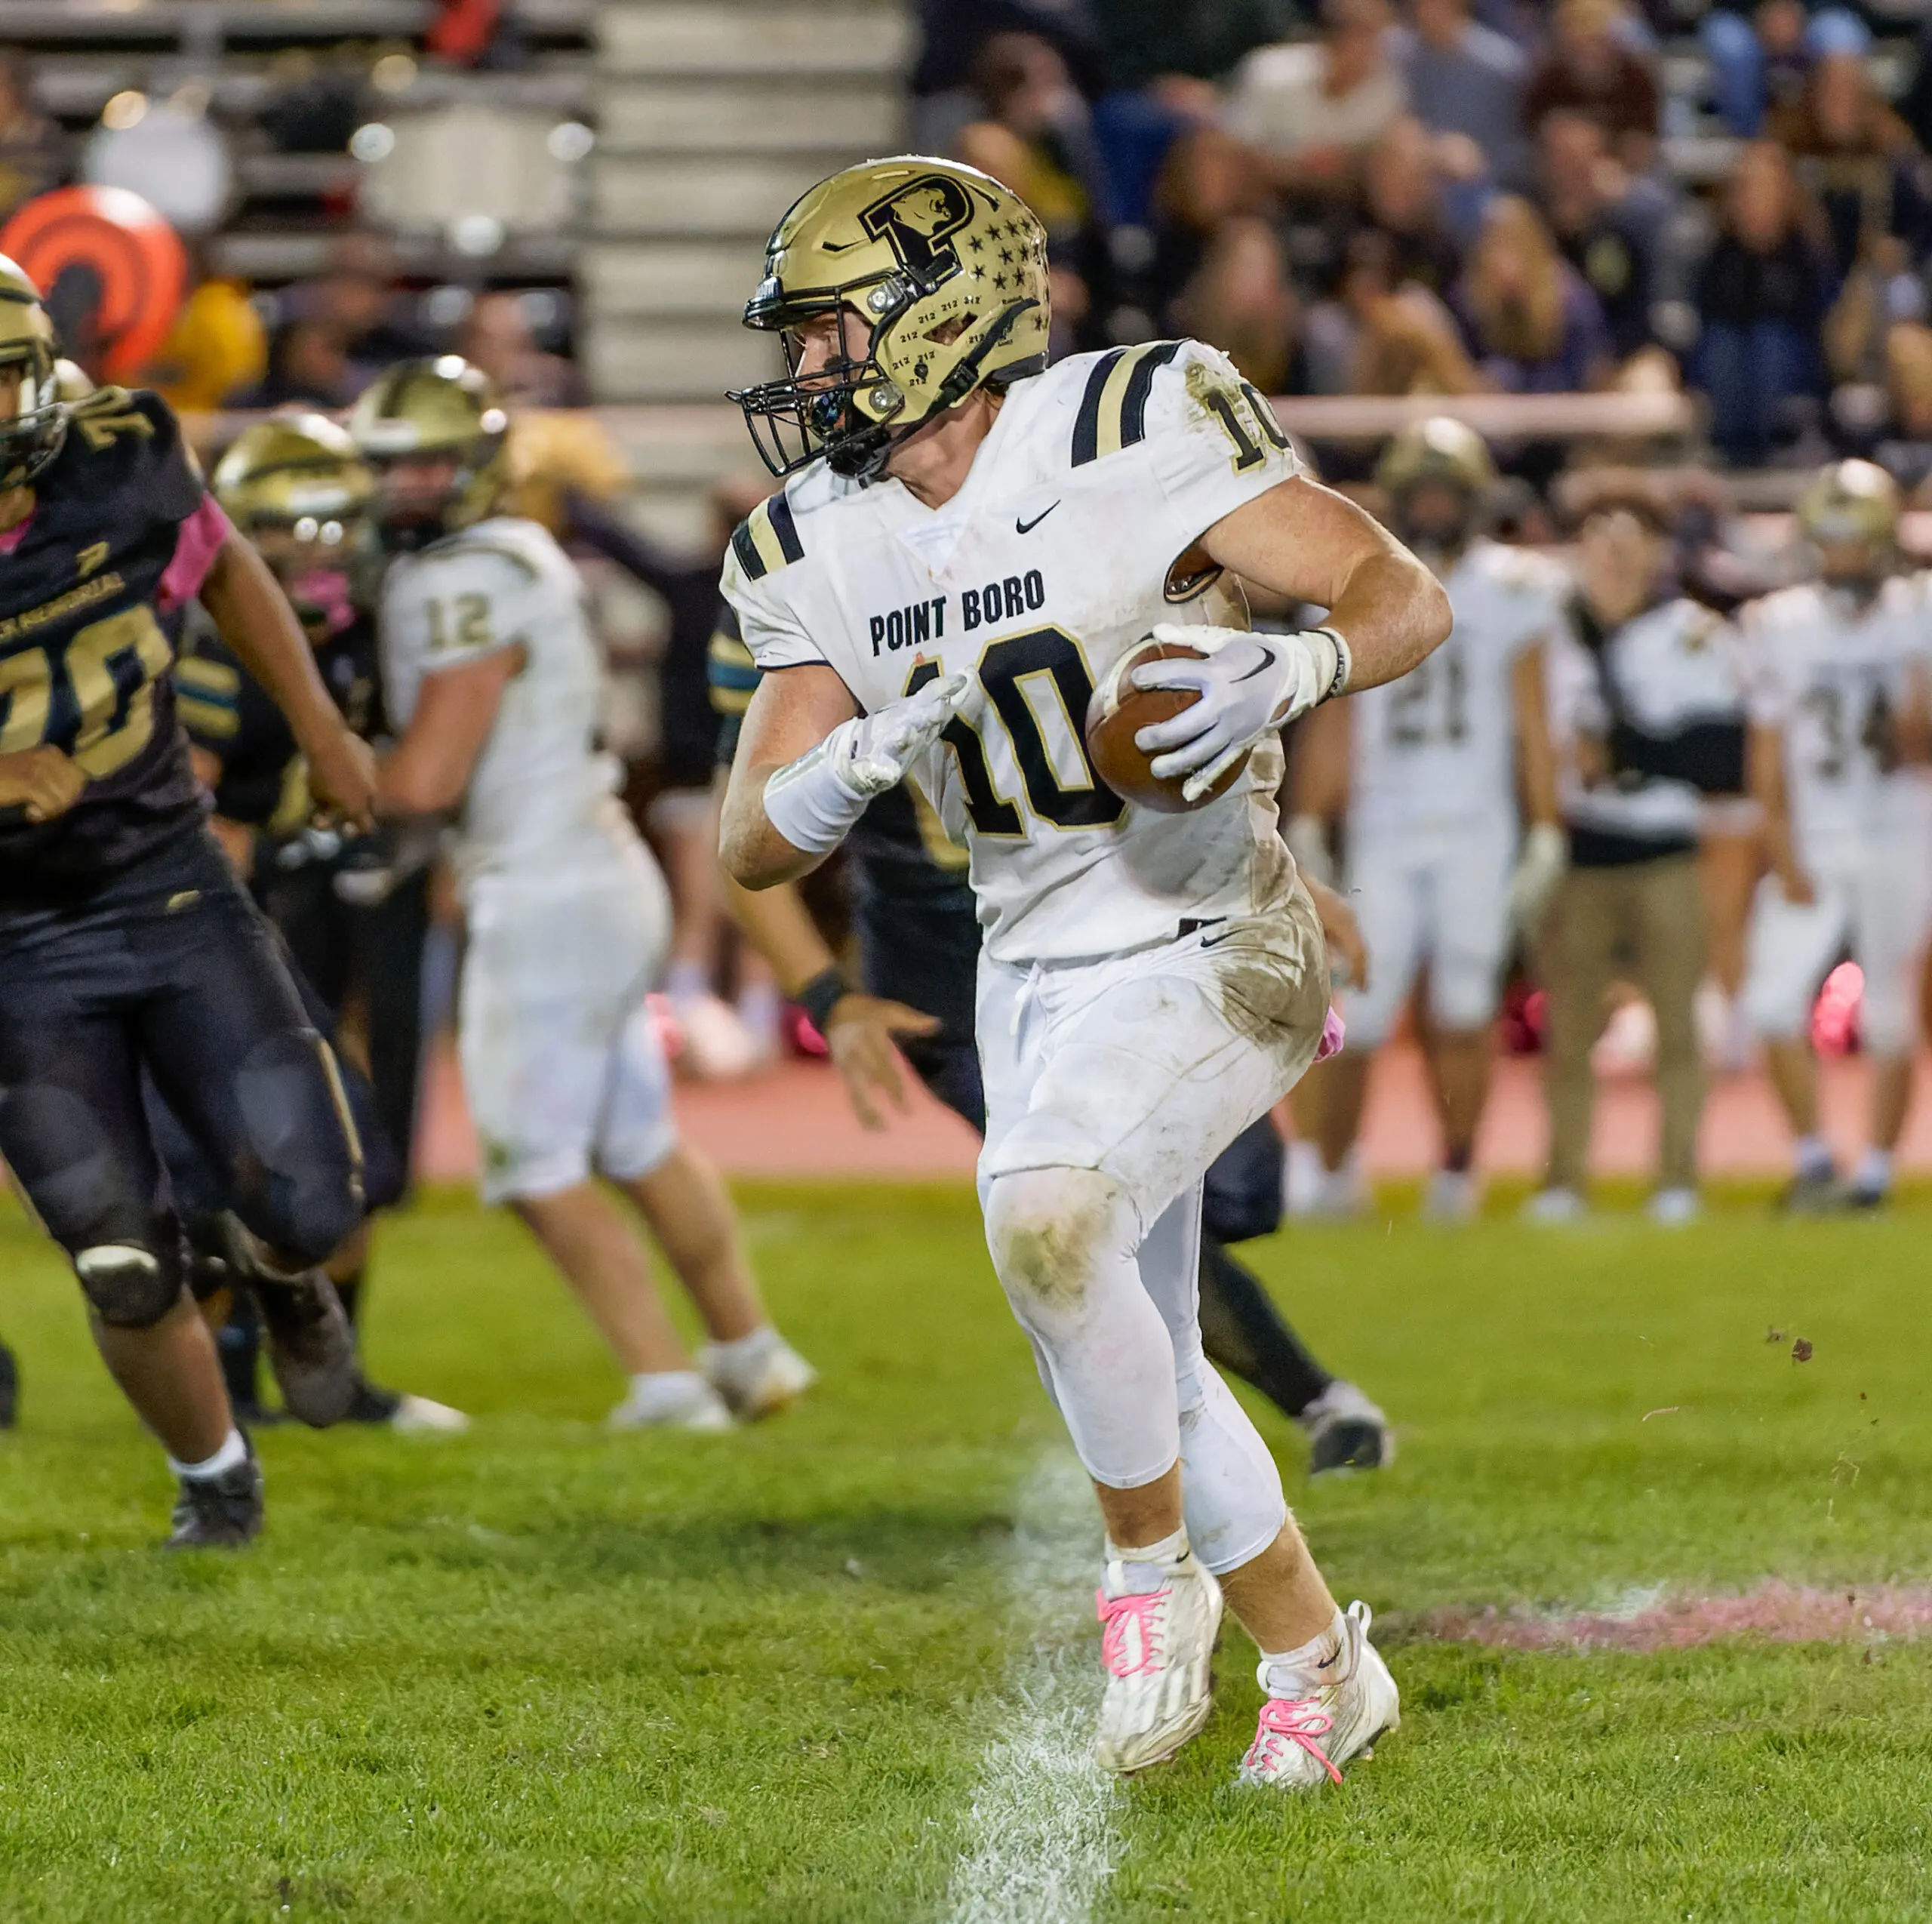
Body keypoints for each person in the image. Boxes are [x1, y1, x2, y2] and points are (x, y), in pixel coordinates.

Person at [717, 157, 1451, 1787]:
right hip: (1028, 955)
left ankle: (1142, 1573)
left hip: (1220, 933)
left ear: (940, 312)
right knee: (1144, 1347)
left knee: (1043, 1212)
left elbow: (1398, 588)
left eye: (834, 331)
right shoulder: (814, 534)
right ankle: (1321, 1663)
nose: (809, 369)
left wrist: (1295, 659)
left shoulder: (1128, 424)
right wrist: (841, 770)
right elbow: (746, 845)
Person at [710, 622, 1395, 1474]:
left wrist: (1273, 872)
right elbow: (742, 820)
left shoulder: (1033, 515)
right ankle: (1298, 1410)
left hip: (1112, 913)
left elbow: (1129, 745)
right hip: (944, 972)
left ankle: (1200, 1427)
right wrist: (830, 997)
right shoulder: (797, 588)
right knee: (1094, 1204)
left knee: (1240, 1190)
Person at [349, 357, 815, 1429]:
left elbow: (425, 777)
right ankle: (749, 1351)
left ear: (472, 464)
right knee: (636, 1141)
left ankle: (664, 1382)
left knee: (528, 1162)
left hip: (546, 886)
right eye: (391, 466)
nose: (404, 486)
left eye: (425, 463)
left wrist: (322, 773)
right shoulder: (520, 552)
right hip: (596, 867)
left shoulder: (465, 576)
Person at [0, 254, 377, 1547]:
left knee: (318, 1207)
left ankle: (281, 1275)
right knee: (117, 1254)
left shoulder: (121, 454)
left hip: (167, 886)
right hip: (15, 943)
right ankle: (216, 1477)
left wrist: (320, 726)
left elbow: (223, 566)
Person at [175, 412, 466, 1429]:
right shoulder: (213, 656)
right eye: (285, 534)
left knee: (355, 1164)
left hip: (304, 917)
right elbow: (197, 833)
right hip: (217, 942)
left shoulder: (367, 635)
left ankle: (324, 1384)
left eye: (333, 528)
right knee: (229, 1174)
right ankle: (241, 1389)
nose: (315, 555)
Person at [1289, 419, 1564, 1220]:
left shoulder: (1513, 589)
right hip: (1385, 825)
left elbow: (1530, 718)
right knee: (1355, 1011)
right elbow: (1334, 708)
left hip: (1477, 828)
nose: (1435, 505)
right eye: (1423, 492)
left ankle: (1454, 1174)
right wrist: (1309, 818)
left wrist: (1544, 827)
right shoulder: (1363, 577)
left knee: (1466, 1008)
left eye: (1448, 491)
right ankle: (1330, 1169)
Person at [1528, 478, 1747, 1223]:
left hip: (1663, 851)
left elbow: (1726, 757)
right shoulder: (1548, 632)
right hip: (1580, 854)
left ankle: (1677, 1177)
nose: (1616, 557)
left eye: (1632, 541)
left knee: (1678, 1026)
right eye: (1601, 540)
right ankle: (1563, 1178)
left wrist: (1632, 751)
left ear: (1657, 550)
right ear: (1580, 548)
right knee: (1567, 1030)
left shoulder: (1693, 632)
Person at [1737, 460, 1932, 1208]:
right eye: (1832, 539)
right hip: (1817, 830)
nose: (1843, 554)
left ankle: (1875, 1173)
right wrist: (1781, 845)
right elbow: (1766, 754)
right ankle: (1814, 1158)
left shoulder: (1918, 610)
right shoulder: (1779, 621)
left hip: (1898, 827)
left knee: (1889, 1007)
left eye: (1857, 539)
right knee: (1768, 1002)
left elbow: (1919, 744)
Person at [1690, 141, 1832, 467]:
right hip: (1730, 356)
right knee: (1723, 347)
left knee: (1770, 344)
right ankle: (1731, 446)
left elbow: (1818, 320)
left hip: (1793, 359)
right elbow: (1707, 315)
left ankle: (1772, 443)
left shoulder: (1805, 253)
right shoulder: (1717, 254)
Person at [1225, 0, 1410, 208]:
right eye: (1360, 36)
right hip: (1264, 199)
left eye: (1378, 38)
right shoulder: (1269, 74)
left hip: (1346, 206)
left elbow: (1373, 163)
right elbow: (1235, 147)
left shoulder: (1386, 94)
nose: (1374, 51)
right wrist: (1294, 164)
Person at [1453, 194, 1614, 394]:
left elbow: (1592, 374)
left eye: (1514, 243)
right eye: (1494, 245)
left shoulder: (1572, 301)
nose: (1504, 259)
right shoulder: (1468, 299)